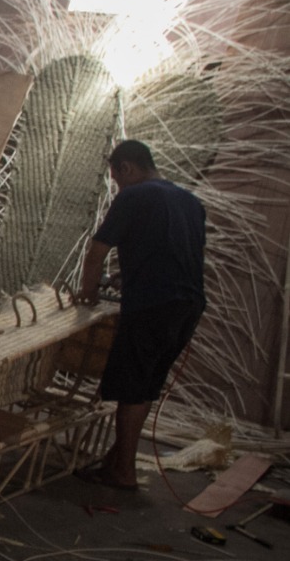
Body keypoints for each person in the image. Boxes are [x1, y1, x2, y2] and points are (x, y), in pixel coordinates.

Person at [74, 140, 206, 491]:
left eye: (116, 178)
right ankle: (117, 460)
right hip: (187, 307)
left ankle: (123, 473)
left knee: (131, 388)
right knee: (146, 385)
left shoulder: (134, 196)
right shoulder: (190, 203)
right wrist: (126, 276)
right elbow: (171, 253)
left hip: (152, 305)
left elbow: (96, 252)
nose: (117, 185)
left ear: (127, 169)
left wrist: (86, 294)